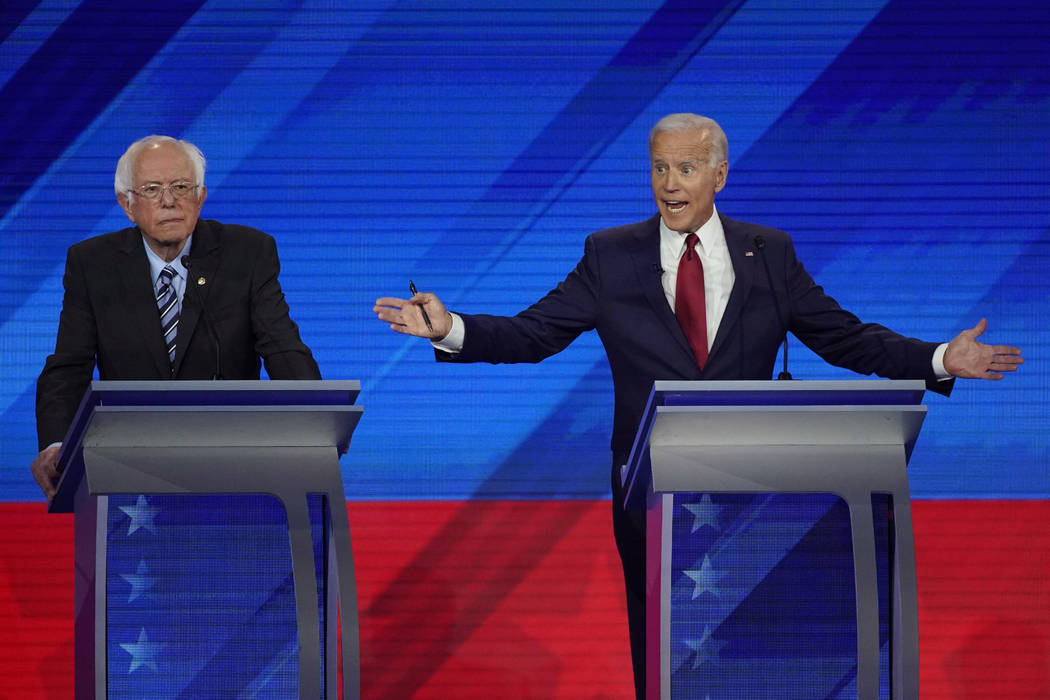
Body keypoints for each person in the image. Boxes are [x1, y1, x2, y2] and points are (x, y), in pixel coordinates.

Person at [373, 113, 1023, 699]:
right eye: (659, 168)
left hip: (754, 486)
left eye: (685, 168)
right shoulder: (610, 255)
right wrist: (449, 326)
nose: (669, 184)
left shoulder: (768, 254)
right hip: (648, 489)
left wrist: (941, 358)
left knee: (750, 639)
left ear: (719, 175)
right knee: (659, 639)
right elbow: (533, 333)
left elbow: (845, 338)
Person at [32, 134, 320, 502]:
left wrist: (315, 423)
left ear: (200, 196)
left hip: (231, 461)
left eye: (181, 186)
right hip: (129, 467)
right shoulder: (93, 264)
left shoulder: (247, 253)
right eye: (152, 189)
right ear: (127, 204)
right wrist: (57, 443)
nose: (169, 201)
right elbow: (69, 366)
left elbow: (282, 348)